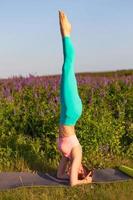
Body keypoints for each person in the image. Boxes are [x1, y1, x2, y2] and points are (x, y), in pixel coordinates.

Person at [56, 10, 92, 186]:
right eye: (80, 170)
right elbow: (73, 183)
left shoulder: (67, 156)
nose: (75, 169)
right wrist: (85, 180)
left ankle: (66, 32)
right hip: (71, 112)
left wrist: (71, 173)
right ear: (81, 168)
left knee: (68, 69)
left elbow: (60, 175)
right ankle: (66, 33)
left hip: (67, 112)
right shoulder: (77, 152)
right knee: (67, 65)